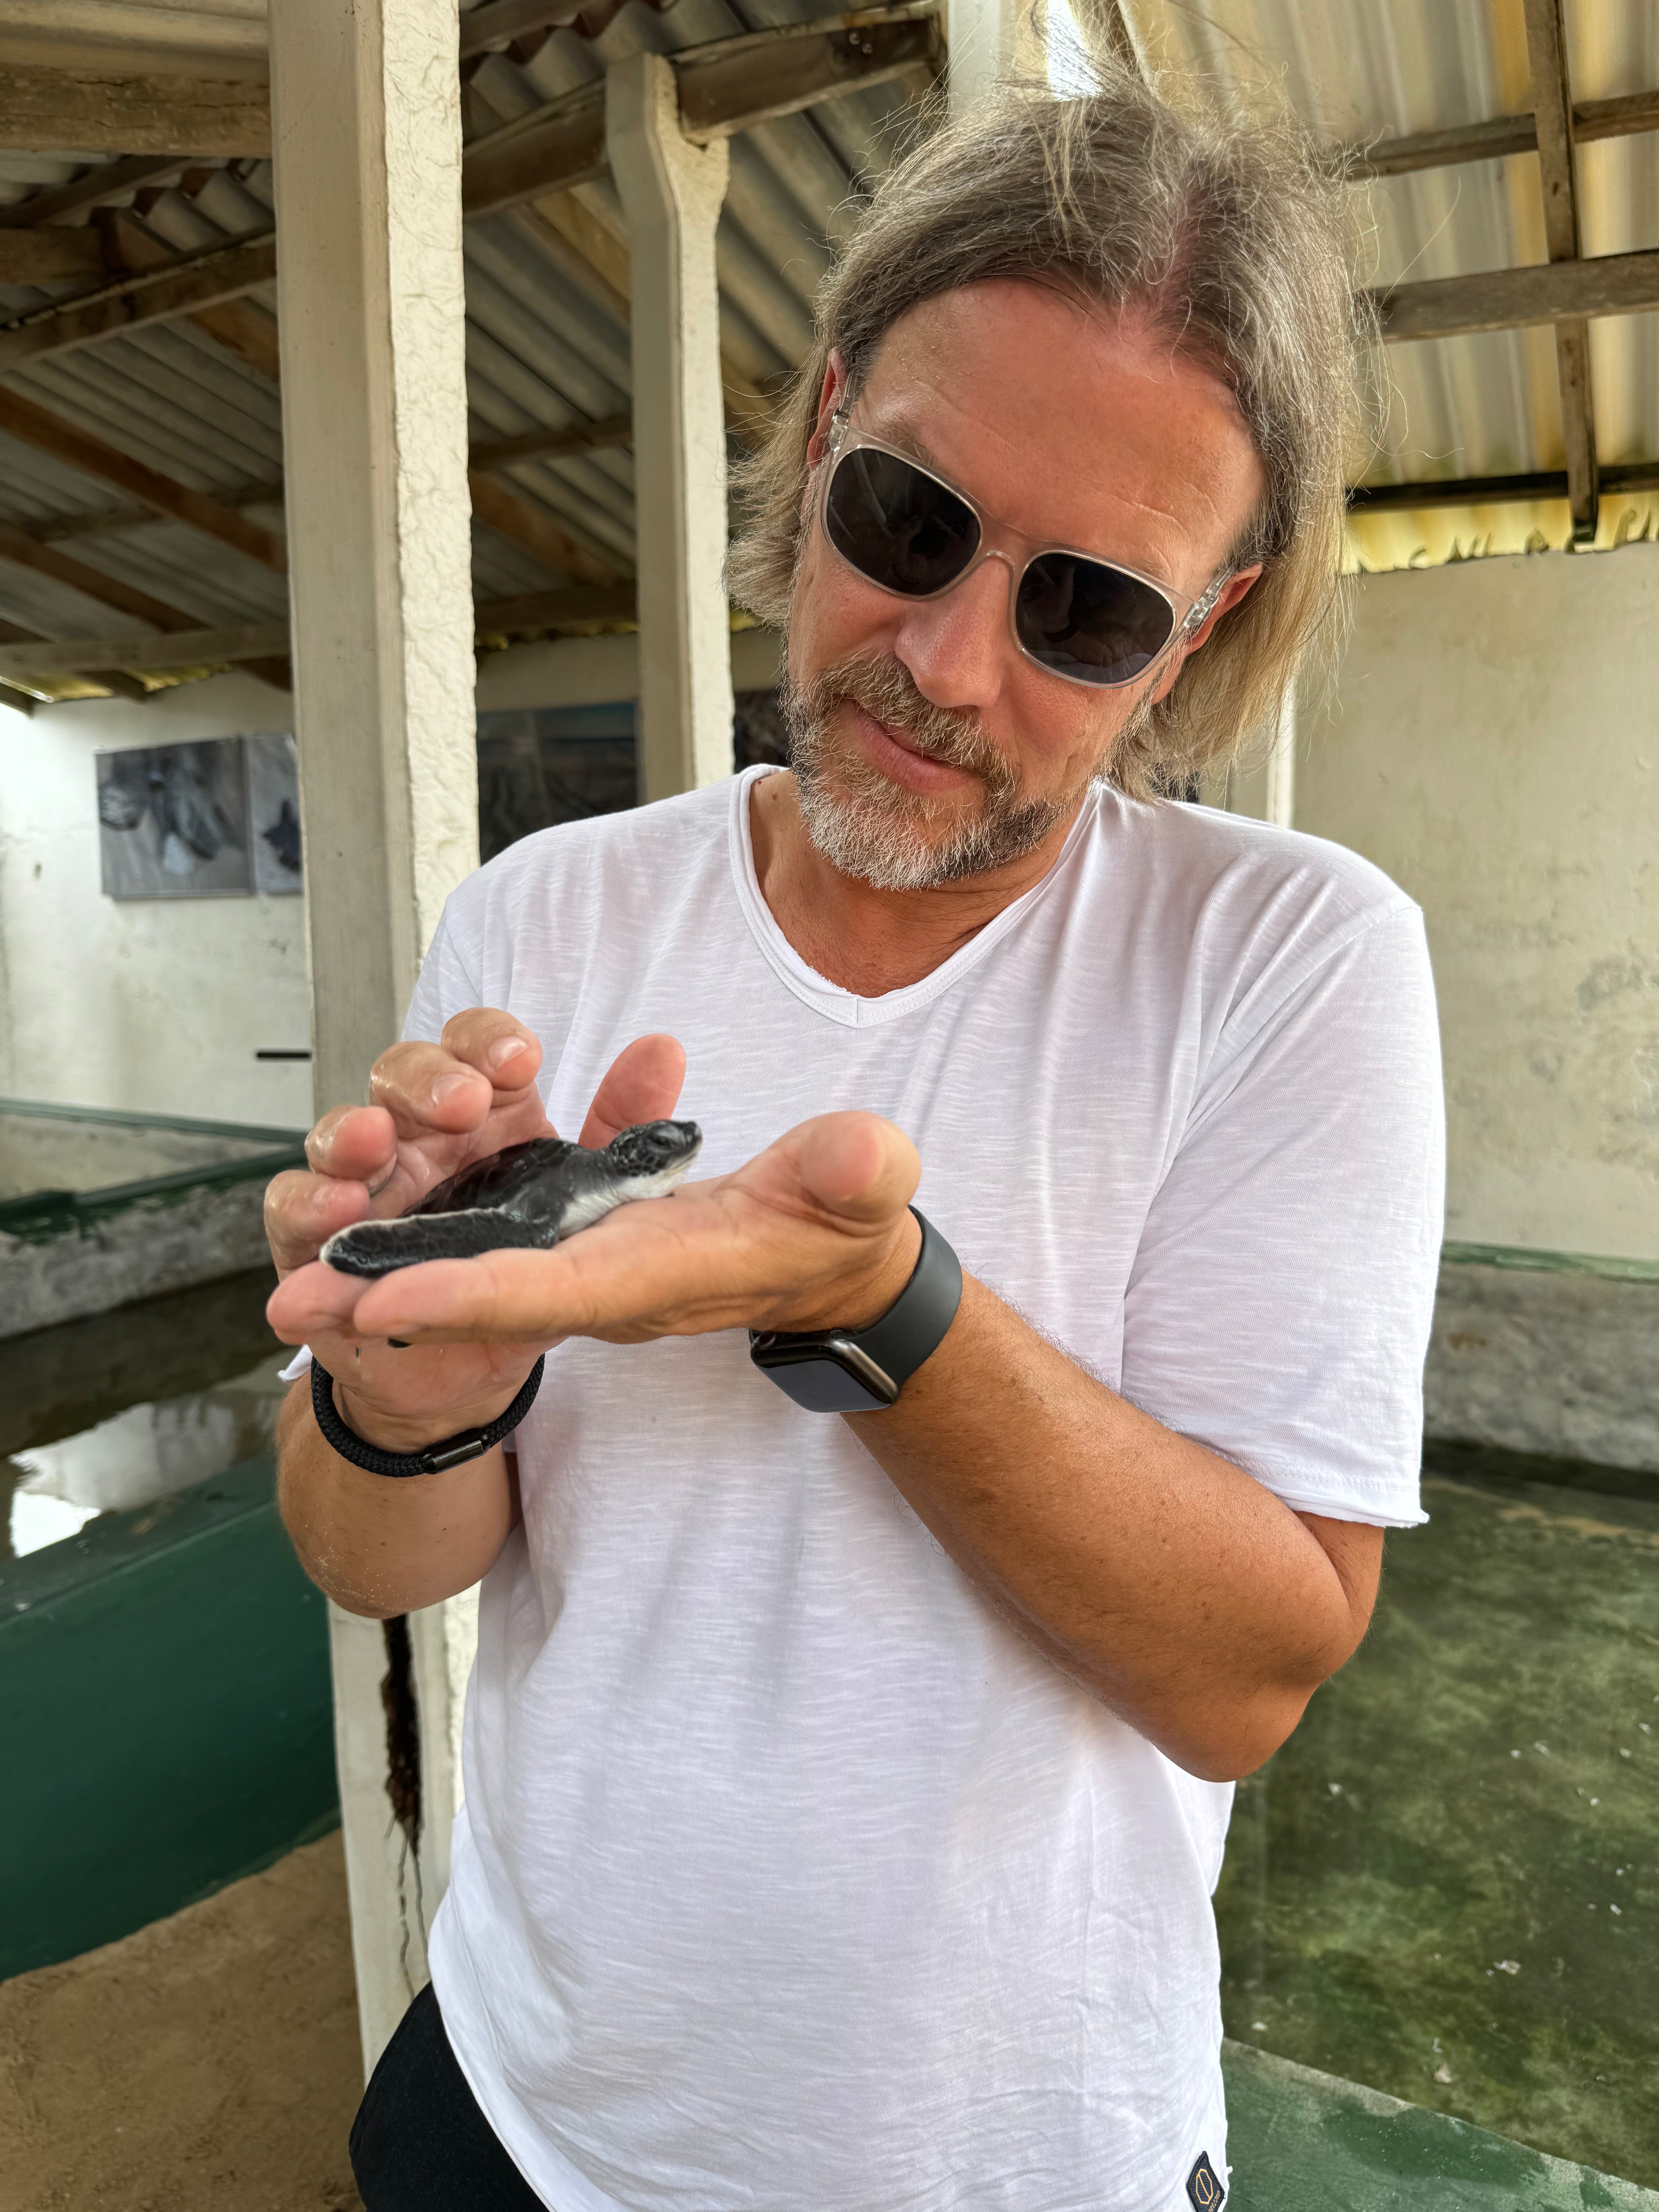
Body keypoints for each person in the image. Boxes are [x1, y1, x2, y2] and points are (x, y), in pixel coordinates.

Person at [267, 71, 1444, 2212]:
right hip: (526, 2104)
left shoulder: (1287, 962)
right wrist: (409, 1392)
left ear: (1210, 623)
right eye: (909, 518)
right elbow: (372, 1565)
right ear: (822, 435)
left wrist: (879, 1308)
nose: (944, 661)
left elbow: (1251, 1676)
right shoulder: (550, 914)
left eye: (1086, 610)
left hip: (1007, 2158)